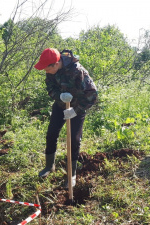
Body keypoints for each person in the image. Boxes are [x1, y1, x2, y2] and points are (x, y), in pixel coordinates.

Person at [34, 48, 98, 188]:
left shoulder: (78, 71)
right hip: (60, 106)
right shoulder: (51, 72)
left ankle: (71, 174)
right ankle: (49, 166)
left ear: (56, 64)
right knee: (51, 133)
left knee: (74, 139)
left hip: (77, 108)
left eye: (47, 69)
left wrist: (76, 111)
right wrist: (59, 97)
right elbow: (50, 88)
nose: (46, 72)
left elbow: (92, 95)